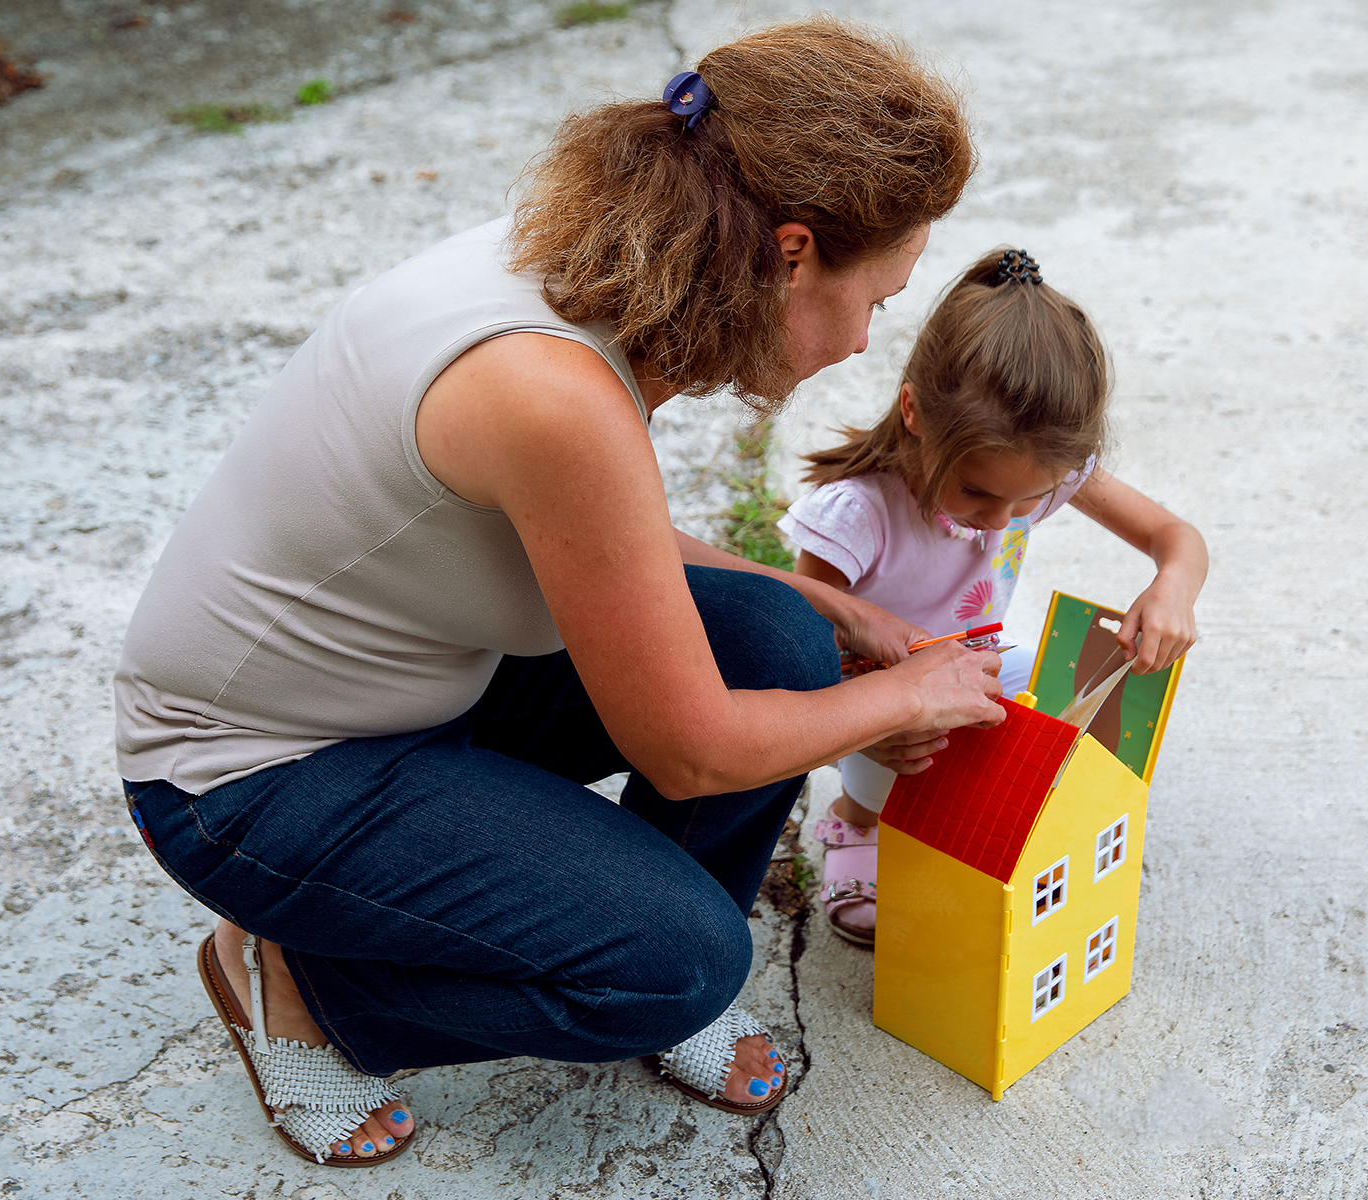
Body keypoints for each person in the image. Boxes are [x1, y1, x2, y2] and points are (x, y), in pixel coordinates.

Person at [114, 19, 994, 1168]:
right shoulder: (550, 390)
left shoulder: (590, 259)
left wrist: (827, 603)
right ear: (789, 254)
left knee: (776, 634)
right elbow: (690, 751)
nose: (866, 338)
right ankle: (304, 981)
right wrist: (909, 697)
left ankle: (636, 944)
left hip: (419, 690)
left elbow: (603, 531)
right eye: (877, 298)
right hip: (248, 779)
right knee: (673, 964)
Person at [777, 248, 1208, 946]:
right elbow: (795, 639)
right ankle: (856, 823)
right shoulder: (857, 516)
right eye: (976, 492)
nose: (1000, 519)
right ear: (915, 411)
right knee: (906, 767)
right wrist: (871, 717)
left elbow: (1174, 536)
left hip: (973, 663)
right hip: (880, 695)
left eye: (1029, 499)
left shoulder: (1044, 471)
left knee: (1061, 709)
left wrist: (1173, 588)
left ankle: (977, 827)